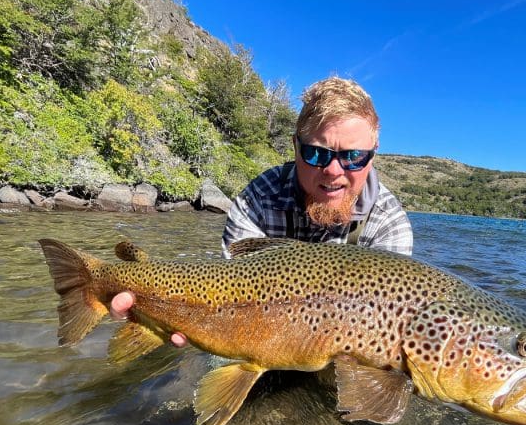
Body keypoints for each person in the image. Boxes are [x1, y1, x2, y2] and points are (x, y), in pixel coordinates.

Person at [110, 76, 413, 346]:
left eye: (354, 156)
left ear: (373, 155)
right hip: (248, 330)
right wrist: (161, 315)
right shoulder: (257, 199)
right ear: (296, 147)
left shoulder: (389, 224)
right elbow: (225, 294)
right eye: (317, 153)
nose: (333, 170)